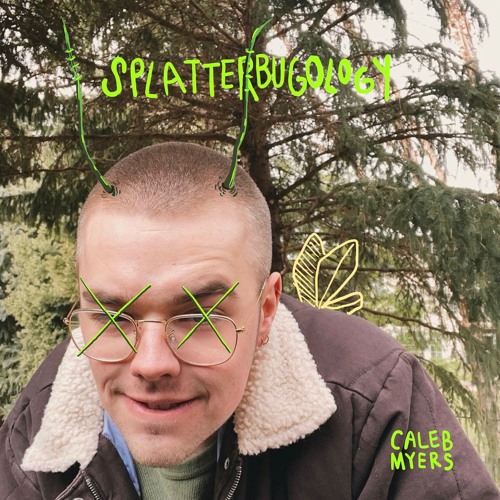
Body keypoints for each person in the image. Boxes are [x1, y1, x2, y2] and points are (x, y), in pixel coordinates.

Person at [0, 142, 498, 500]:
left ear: (265, 311)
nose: (150, 364)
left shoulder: (378, 399)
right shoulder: (38, 426)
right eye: (112, 314)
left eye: (199, 315)